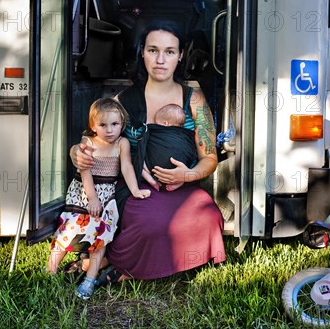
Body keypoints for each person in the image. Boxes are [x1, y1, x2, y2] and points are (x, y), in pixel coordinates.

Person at [70, 21, 225, 283]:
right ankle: (124, 265)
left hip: (180, 187)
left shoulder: (194, 99)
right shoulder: (123, 101)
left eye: (170, 51)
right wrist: (77, 151)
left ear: (180, 56)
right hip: (136, 187)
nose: (161, 59)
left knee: (208, 215)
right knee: (152, 224)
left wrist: (186, 176)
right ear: (142, 53)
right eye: (153, 50)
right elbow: (96, 140)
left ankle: (108, 260)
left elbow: (209, 158)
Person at [46, 97, 151, 300]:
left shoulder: (122, 143)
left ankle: (89, 279)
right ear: (93, 126)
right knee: (68, 231)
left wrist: (135, 190)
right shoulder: (88, 142)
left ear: (122, 124)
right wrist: (91, 198)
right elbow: (85, 172)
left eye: (115, 124)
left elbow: (126, 167)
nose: (109, 130)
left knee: (101, 237)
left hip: (107, 195)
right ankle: (51, 269)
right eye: (103, 125)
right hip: (84, 192)